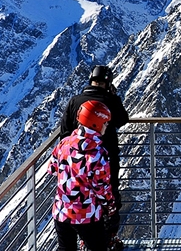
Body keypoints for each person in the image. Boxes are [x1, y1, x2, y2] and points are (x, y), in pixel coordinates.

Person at [59, 65, 129, 249]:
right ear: (108, 83)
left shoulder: (75, 101)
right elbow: (123, 119)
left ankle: (86, 239)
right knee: (108, 199)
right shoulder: (109, 101)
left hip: (71, 179)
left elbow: (64, 132)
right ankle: (108, 238)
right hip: (105, 163)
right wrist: (114, 96)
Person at [49, 100, 117, 251]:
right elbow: (102, 188)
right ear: (96, 124)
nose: (106, 126)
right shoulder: (98, 154)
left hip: (61, 210)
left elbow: (53, 169)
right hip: (86, 214)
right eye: (105, 123)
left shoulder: (64, 143)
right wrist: (110, 206)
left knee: (65, 248)